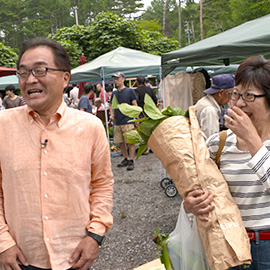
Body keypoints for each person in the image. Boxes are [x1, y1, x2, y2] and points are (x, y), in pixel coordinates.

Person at [0, 38, 114, 270]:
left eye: (40, 70)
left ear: (65, 78)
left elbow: (102, 184)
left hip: (74, 257)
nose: (30, 79)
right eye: (23, 72)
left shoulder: (90, 127)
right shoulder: (2, 126)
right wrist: (3, 243)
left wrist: (95, 235)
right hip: (19, 258)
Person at [184, 55, 270, 270]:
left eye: (249, 96)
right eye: (236, 94)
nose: (240, 103)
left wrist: (253, 142)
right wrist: (190, 204)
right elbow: (199, 189)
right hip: (228, 244)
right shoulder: (218, 144)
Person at [110, 71, 138, 171]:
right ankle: (125, 158)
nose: (116, 81)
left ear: (123, 79)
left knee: (130, 142)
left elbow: (135, 104)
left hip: (128, 120)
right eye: (115, 79)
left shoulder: (130, 91)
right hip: (118, 121)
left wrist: (137, 118)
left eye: (117, 79)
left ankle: (131, 160)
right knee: (120, 142)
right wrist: (112, 116)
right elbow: (112, 106)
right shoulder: (114, 93)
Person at [195, 74, 234, 139]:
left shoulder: (204, 101)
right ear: (221, 93)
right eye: (230, 94)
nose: (231, 98)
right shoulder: (210, 110)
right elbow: (211, 141)